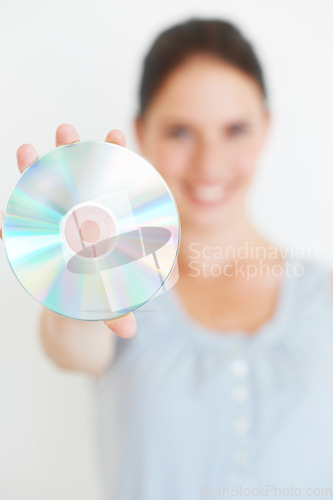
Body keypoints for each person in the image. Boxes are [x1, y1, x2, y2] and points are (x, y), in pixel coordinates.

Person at [1, 17, 333, 499]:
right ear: (141, 133)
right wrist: (75, 265)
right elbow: (70, 346)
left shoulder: (323, 292)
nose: (210, 163)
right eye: (180, 132)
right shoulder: (117, 286)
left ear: (267, 128)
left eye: (235, 129)